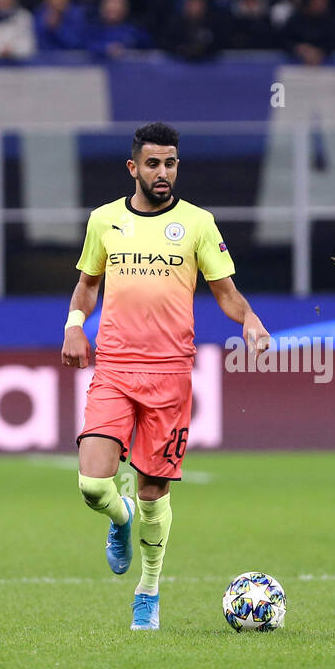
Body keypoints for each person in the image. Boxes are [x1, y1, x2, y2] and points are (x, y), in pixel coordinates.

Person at [61, 122, 271, 631]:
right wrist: (73, 325)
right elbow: (88, 286)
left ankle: (148, 592)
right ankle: (121, 517)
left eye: (170, 163)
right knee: (93, 484)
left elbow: (224, 291)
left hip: (171, 373)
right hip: (113, 368)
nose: (162, 172)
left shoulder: (198, 223)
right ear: (133, 167)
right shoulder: (104, 220)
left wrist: (250, 319)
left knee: (155, 490)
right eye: (153, 163)